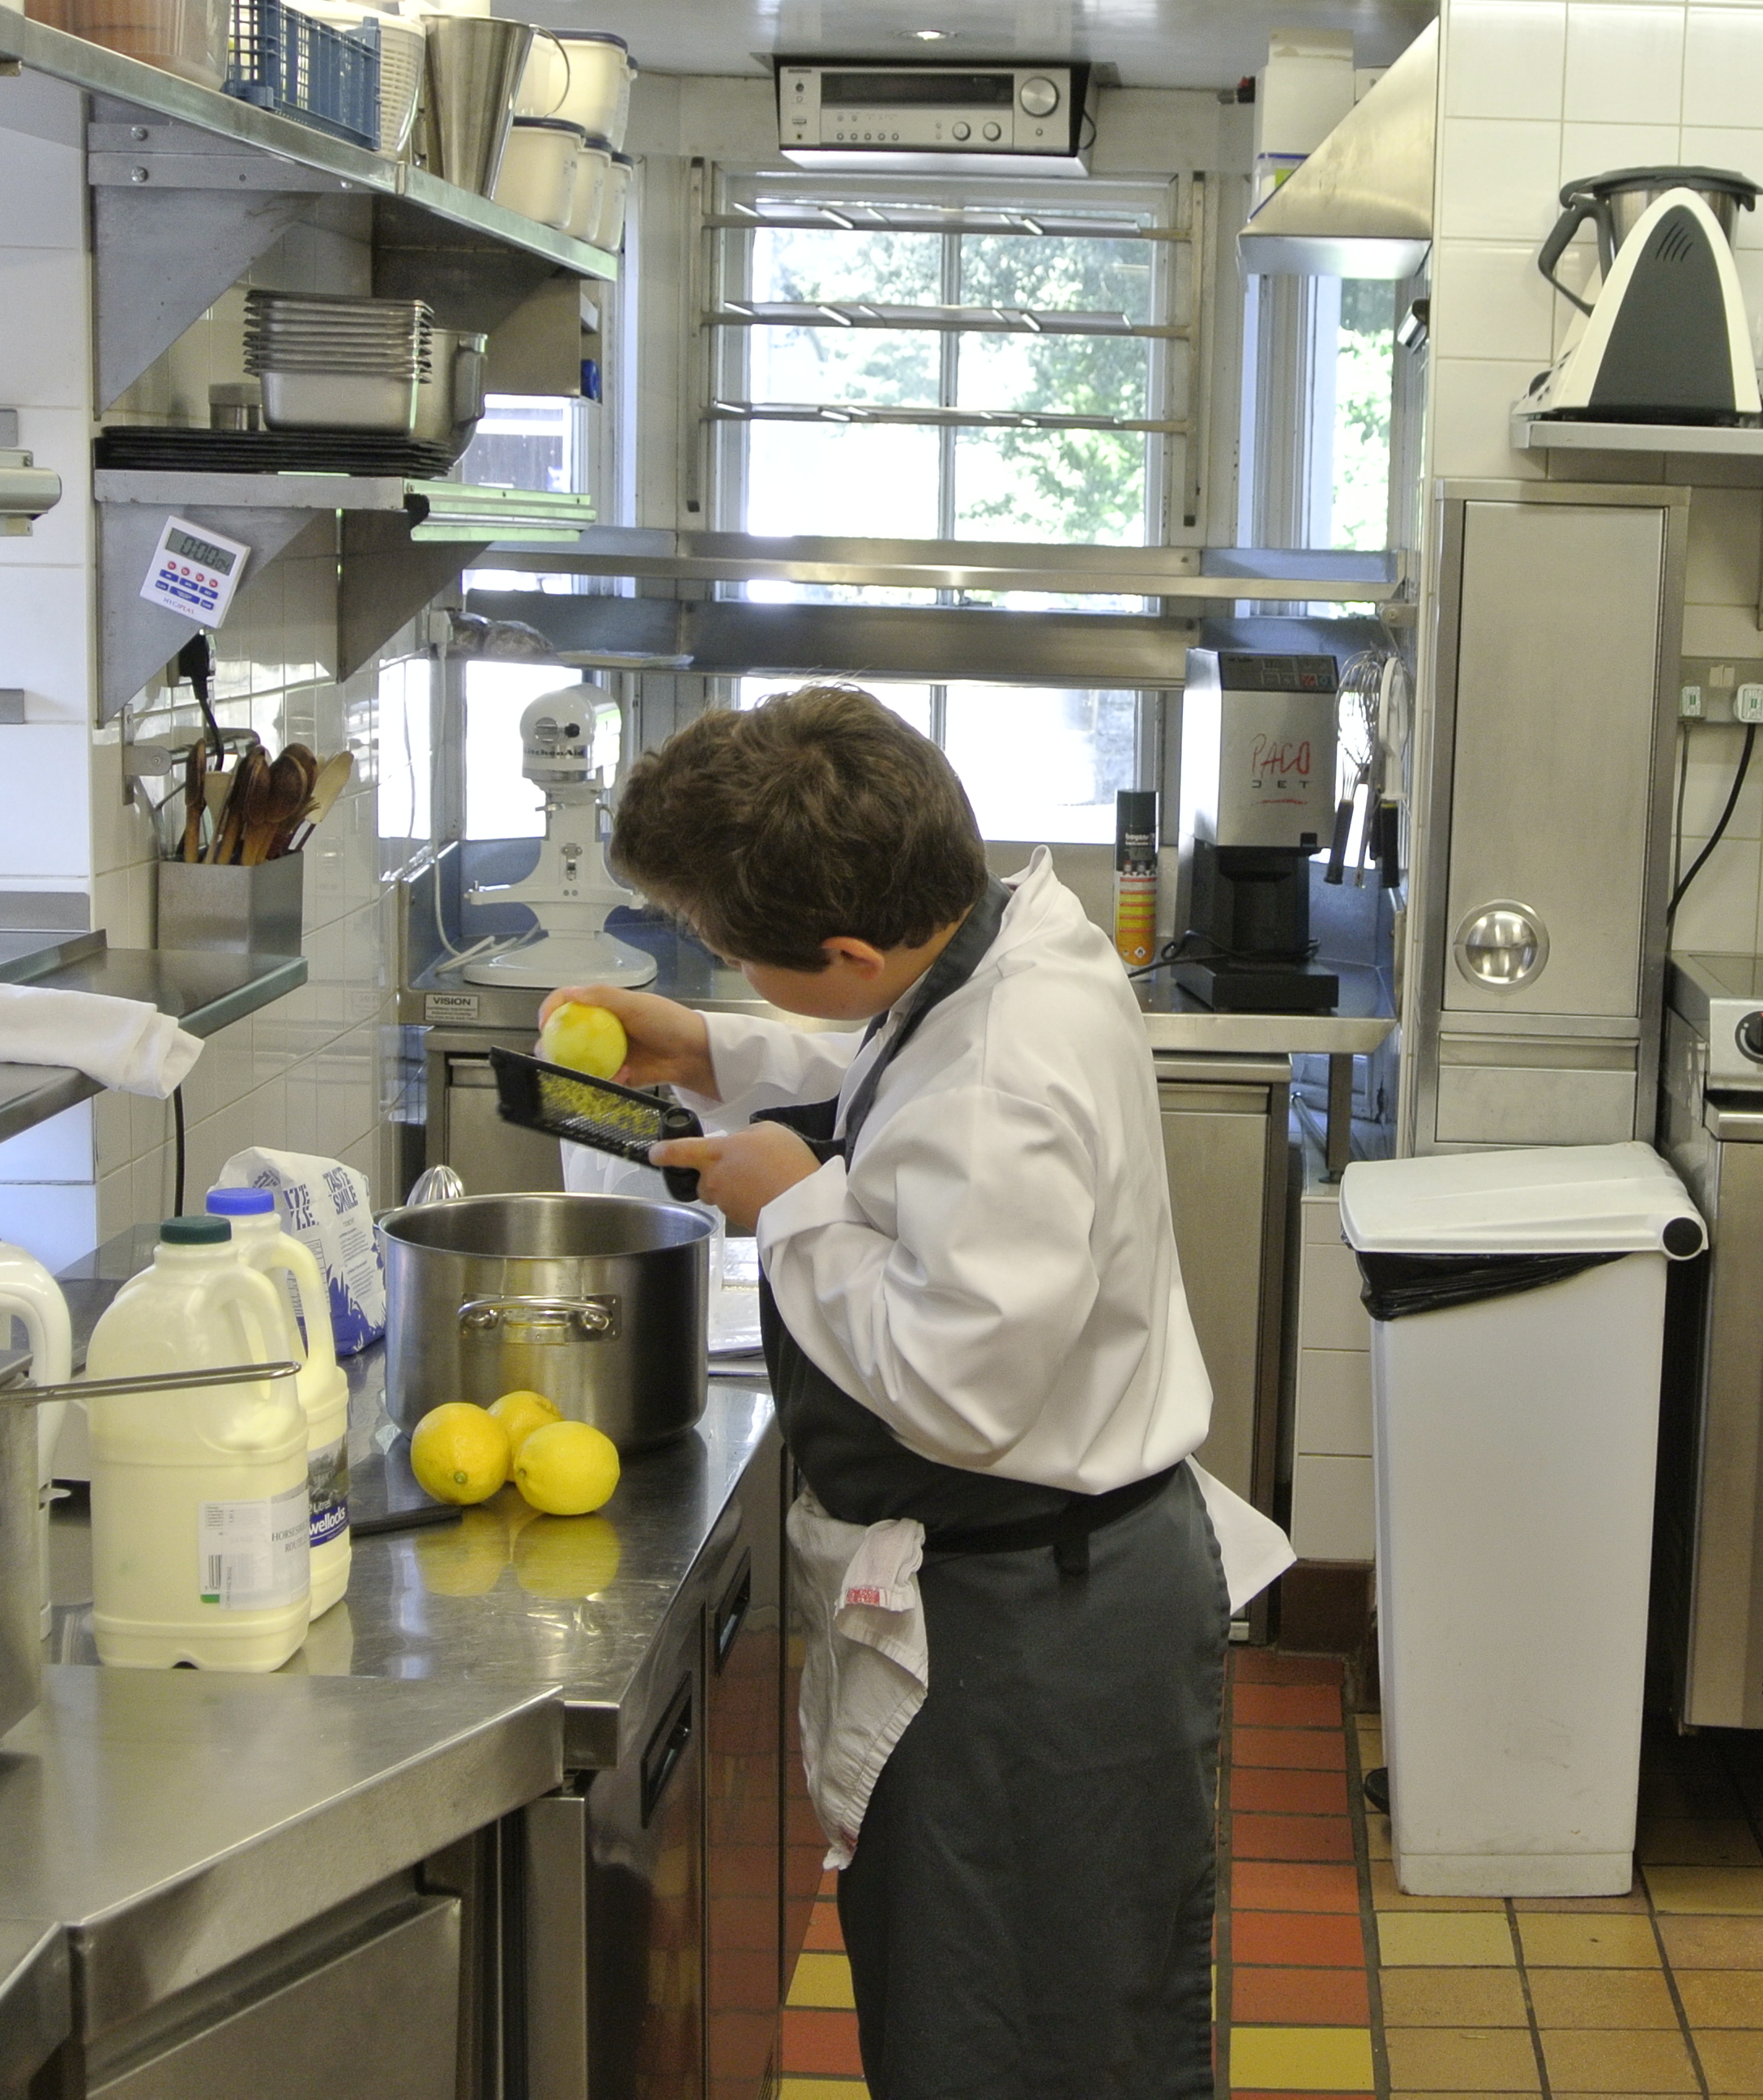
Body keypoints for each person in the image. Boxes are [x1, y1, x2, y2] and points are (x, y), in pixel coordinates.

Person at [544, 684, 1291, 2095]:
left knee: (1034, 2039)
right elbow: (907, 1063)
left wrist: (800, 1204)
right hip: (1032, 1592)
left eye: (721, 950)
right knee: (981, 2009)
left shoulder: (1006, 1078)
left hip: (1033, 1639)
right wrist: (722, 1050)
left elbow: (957, 1394)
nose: (710, 960)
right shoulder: (1006, 941)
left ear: (843, 944)